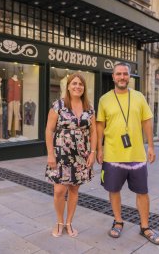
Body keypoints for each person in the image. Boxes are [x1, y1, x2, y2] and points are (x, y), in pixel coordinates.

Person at [96, 62, 159, 245]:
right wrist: (99, 149)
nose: (122, 77)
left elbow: (147, 122)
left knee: (142, 192)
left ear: (129, 76)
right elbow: (99, 126)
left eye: (125, 74)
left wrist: (151, 147)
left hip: (137, 155)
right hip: (112, 155)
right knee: (114, 190)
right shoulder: (104, 99)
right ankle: (118, 221)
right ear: (113, 77)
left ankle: (145, 227)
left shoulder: (139, 97)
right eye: (119, 74)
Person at [45, 73, 97, 238]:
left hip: (81, 155)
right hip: (61, 155)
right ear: (68, 86)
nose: (77, 86)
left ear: (84, 88)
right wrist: (50, 154)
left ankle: (69, 222)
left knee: (74, 188)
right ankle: (59, 222)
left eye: (80, 84)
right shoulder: (58, 105)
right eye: (74, 83)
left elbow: (94, 131)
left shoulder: (89, 107)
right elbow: (49, 130)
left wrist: (93, 152)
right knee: (59, 190)